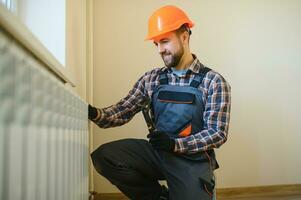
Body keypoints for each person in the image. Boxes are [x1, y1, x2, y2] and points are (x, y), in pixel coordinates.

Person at [89, 5, 231, 200]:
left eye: (164, 41)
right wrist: (95, 113)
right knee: (104, 156)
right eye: (155, 43)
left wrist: (175, 144)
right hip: (159, 154)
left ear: (184, 36)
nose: (159, 50)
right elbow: (123, 110)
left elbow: (217, 133)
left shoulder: (213, 81)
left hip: (192, 160)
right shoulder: (152, 79)